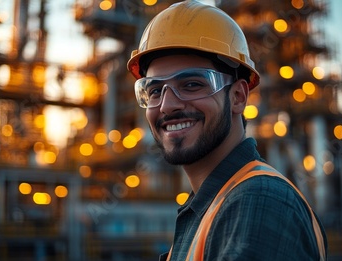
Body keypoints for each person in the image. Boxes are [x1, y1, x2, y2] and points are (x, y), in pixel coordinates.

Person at [127, 0, 328, 260]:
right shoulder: (211, 206)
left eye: (191, 84)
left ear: (238, 97)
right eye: (154, 91)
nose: (167, 106)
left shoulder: (259, 203)